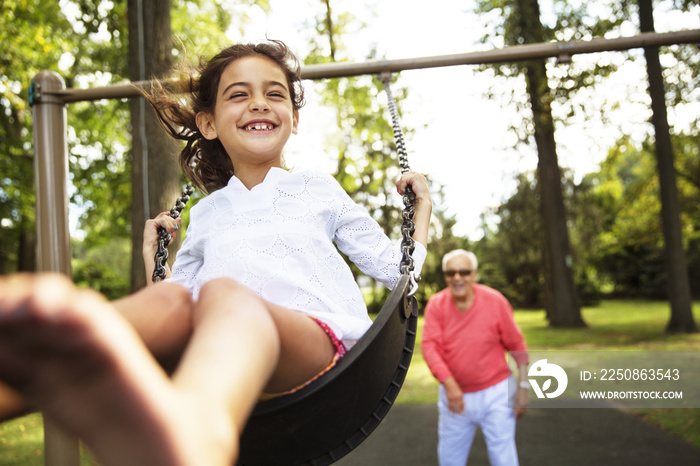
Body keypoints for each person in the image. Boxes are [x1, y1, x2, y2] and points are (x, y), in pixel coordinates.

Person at [0, 40, 431, 466]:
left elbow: (397, 271)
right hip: (225, 348)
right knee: (168, 299)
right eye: (239, 94)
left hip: (323, 355)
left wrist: (420, 213)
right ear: (208, 124)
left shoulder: (317, 188)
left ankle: (194, 433)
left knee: (226, 294)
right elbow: (184, 303)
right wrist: (157, 264)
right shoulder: (206, 212)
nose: (259, 103)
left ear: (294, 120)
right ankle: (45, 348)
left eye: (274, 93)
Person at [421, 249, 529, 466]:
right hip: (455, 398)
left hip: (497, 394)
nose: (457, 278)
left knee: (504, 458)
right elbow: (429, 347)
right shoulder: (436, 304)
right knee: (450, 460)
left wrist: (524, 387)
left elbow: (517, 345)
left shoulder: (495, 301)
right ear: (445, 276)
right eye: (451, 273)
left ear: (474, 274)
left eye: (464, 271)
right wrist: (449, 384)